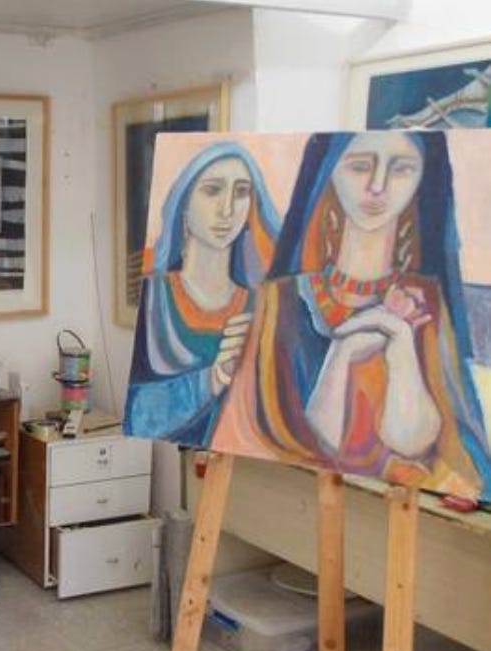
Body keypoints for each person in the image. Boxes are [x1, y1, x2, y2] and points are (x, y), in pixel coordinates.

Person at [229, 131, 491, 496]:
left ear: (422, 178)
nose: (377, 186)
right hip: (293, 499)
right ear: (329, 172)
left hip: (390, 503)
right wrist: (342, 353)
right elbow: (311, 445)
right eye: (360, 166)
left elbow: (413, 444)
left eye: (401, 169)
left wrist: (402, 347)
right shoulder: (281, 301)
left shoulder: (425, 302)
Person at [124, 141, 279, 444]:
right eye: (212, 190)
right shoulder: (154, 299)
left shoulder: (263, 305)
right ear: (184, 202)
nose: (227, 209)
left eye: (241, 192)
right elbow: (137, 414)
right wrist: (212, 379)